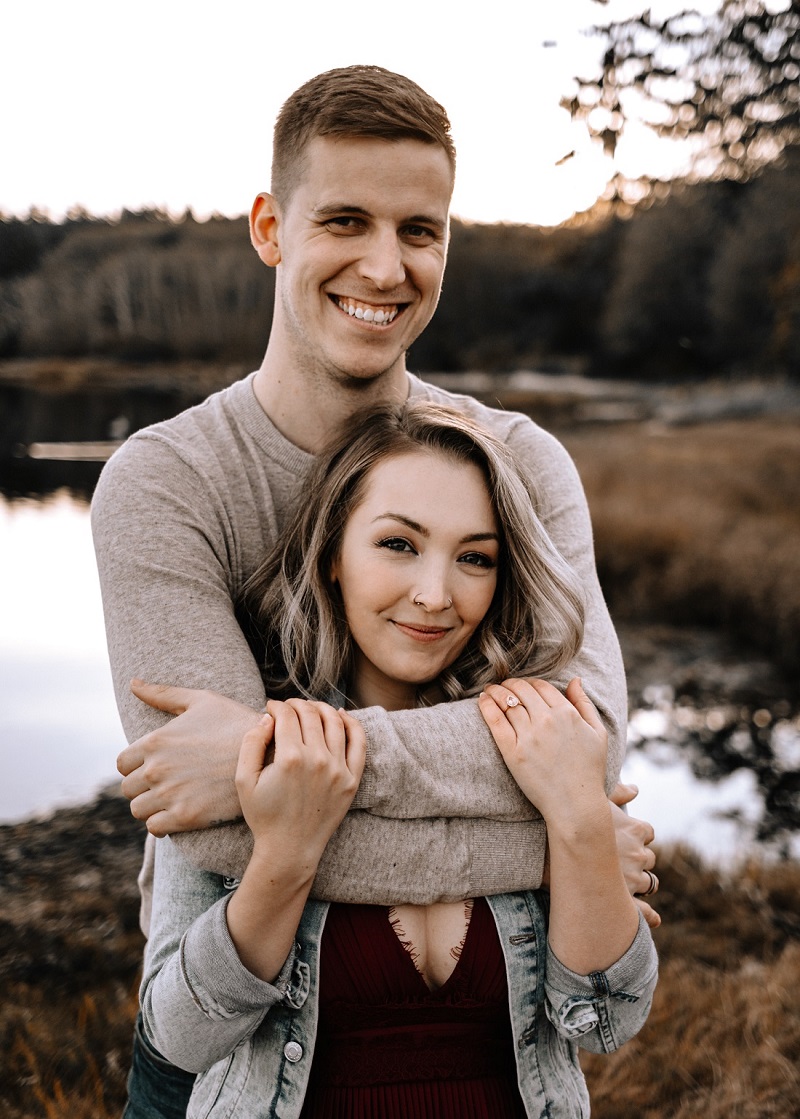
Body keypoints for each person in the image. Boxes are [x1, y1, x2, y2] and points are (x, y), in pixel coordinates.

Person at [90, 64, 659, 1116]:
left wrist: (273, 762)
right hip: (239, 1060)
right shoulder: (166, 482)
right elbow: (214, 832)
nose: (385, 266)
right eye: (344, 220)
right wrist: (562, 828)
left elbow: (593, 738)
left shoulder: (517, 464)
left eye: (420, 230)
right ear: (269, 227)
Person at [140, 399, 658, 1118]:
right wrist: (286, 855)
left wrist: (577, 823)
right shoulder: (257, 755)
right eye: (398, 544)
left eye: (474, 557)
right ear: (332, 555)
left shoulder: (537, 749)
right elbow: (178, 1036)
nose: (435, 595)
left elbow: (605, 1023)